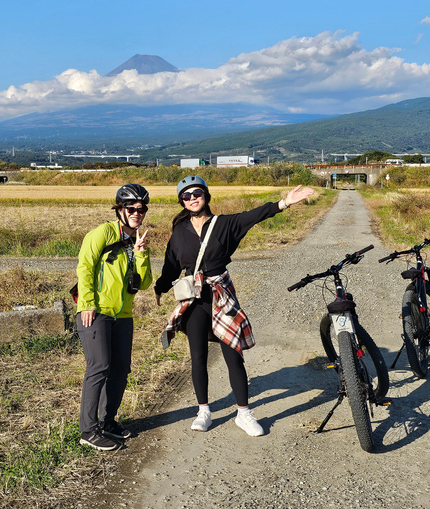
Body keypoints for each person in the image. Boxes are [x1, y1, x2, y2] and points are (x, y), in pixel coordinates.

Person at [154, 176, 314, 437]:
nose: (192, 198)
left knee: (233, 354)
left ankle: (244, 413)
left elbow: (254, 215)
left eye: (197, 193)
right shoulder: (179, 231)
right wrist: (160, 287)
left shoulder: (224, 223)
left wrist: (284, 203)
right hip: (194, 299)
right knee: (198, 356)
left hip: (221, 294)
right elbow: (170, 263)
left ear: (206, 195)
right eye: (186, 195)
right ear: (181, 201)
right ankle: (203, 411)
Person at [75, 183, 153, 450]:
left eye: (141, 209)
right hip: (96, 312)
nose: (137, 213)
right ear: (119, 209)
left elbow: (143, 284)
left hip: (124, 315)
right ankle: (88, 430)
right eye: (131, 208)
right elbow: (85, 266)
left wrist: (141, 254)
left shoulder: (136, 241)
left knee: (120, 370)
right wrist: (87, 303)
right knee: (99, 367)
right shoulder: (102, 233)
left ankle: (109, 422)